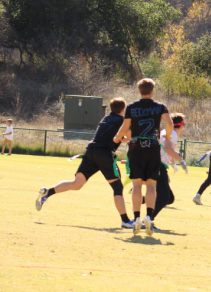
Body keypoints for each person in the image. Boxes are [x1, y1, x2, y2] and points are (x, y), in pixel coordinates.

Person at [35, 98, 133, 228]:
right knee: (117, 187)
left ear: (110, 109)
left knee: (77, 183)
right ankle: (125, 220)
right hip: (104, 154)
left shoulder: (105, 118)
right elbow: (129, 137)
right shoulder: (123, 121)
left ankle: (48, 192)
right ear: (123, 109)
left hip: (91, 151)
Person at [113, 78, 173, 236]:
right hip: (152, 147)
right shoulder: (160, 107)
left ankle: (137, 217)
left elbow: (125, 127)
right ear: (152, 91)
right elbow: (170, 124)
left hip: (136, 147)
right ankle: (149, 216)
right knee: (152, 186)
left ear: (139, 91)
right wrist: (166, 136)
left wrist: (117, 137)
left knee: (137, 185)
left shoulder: (131, 107)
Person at [149, 113, 188, 230]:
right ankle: (148, 219)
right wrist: (180, 160)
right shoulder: (173, 134)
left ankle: (145, 201)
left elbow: (167, 150)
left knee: (169, 198)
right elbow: (167, 147)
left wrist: (173, 164)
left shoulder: (165, 131)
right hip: (157, 165)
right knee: (165, 197)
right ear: (181, 125)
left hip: (156, 165)